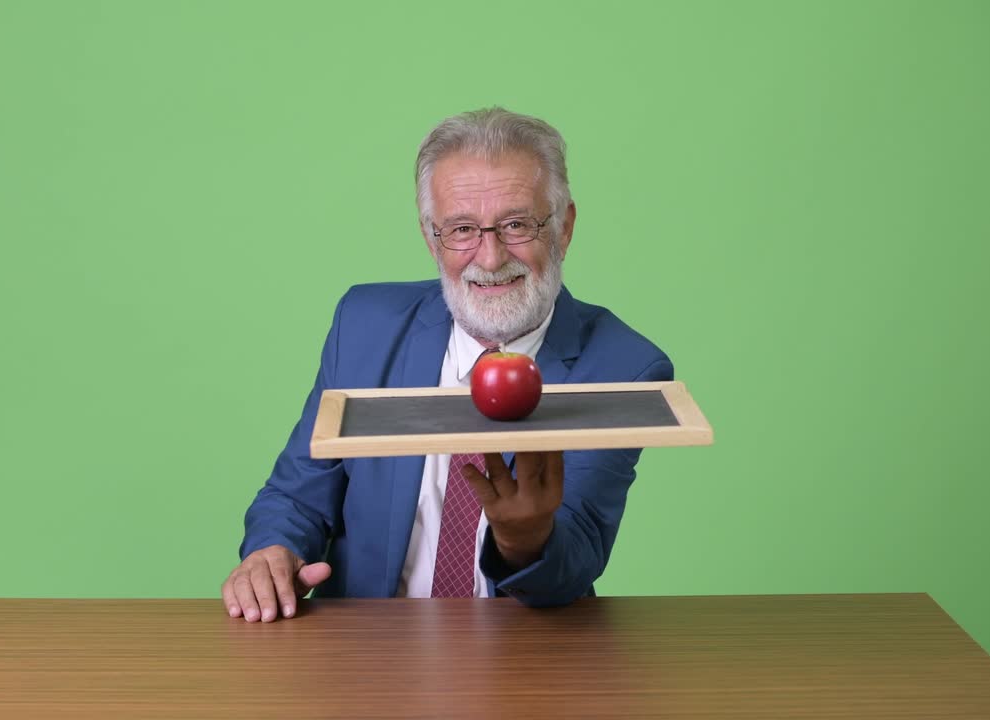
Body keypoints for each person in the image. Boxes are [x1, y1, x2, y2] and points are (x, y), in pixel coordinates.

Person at [221, 107, 674, 622]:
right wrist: (271, 552)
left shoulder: (625, 367)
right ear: (430, 237)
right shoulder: (365, 325)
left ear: (564, 227)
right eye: (461, 229)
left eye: (517, 224)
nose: (489, 256)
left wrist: (525, 542)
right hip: (364, 653)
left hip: (525, 663)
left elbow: (576, 561)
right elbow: (297, 494)